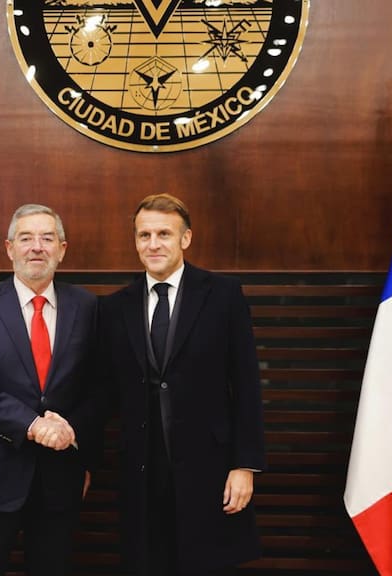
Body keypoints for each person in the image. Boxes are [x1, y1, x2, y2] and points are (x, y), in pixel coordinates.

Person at [98, 194, 266, 576]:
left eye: (163, 234)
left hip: (209, 468)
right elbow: (104, 392)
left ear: (185, 239)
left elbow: (246, 384)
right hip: (140, 471)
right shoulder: (114, 308)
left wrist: (245, 465)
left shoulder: (223, 295)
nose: (153, 244)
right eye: (144, 235)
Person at [0, 204, 99, 576]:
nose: (37, 246)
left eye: (47, 238)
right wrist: (33, 425)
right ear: (9, 248)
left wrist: (72, 435)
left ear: (62, 250)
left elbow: (100, 387)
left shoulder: (88, 305)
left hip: (60, 476)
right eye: (26, 238)